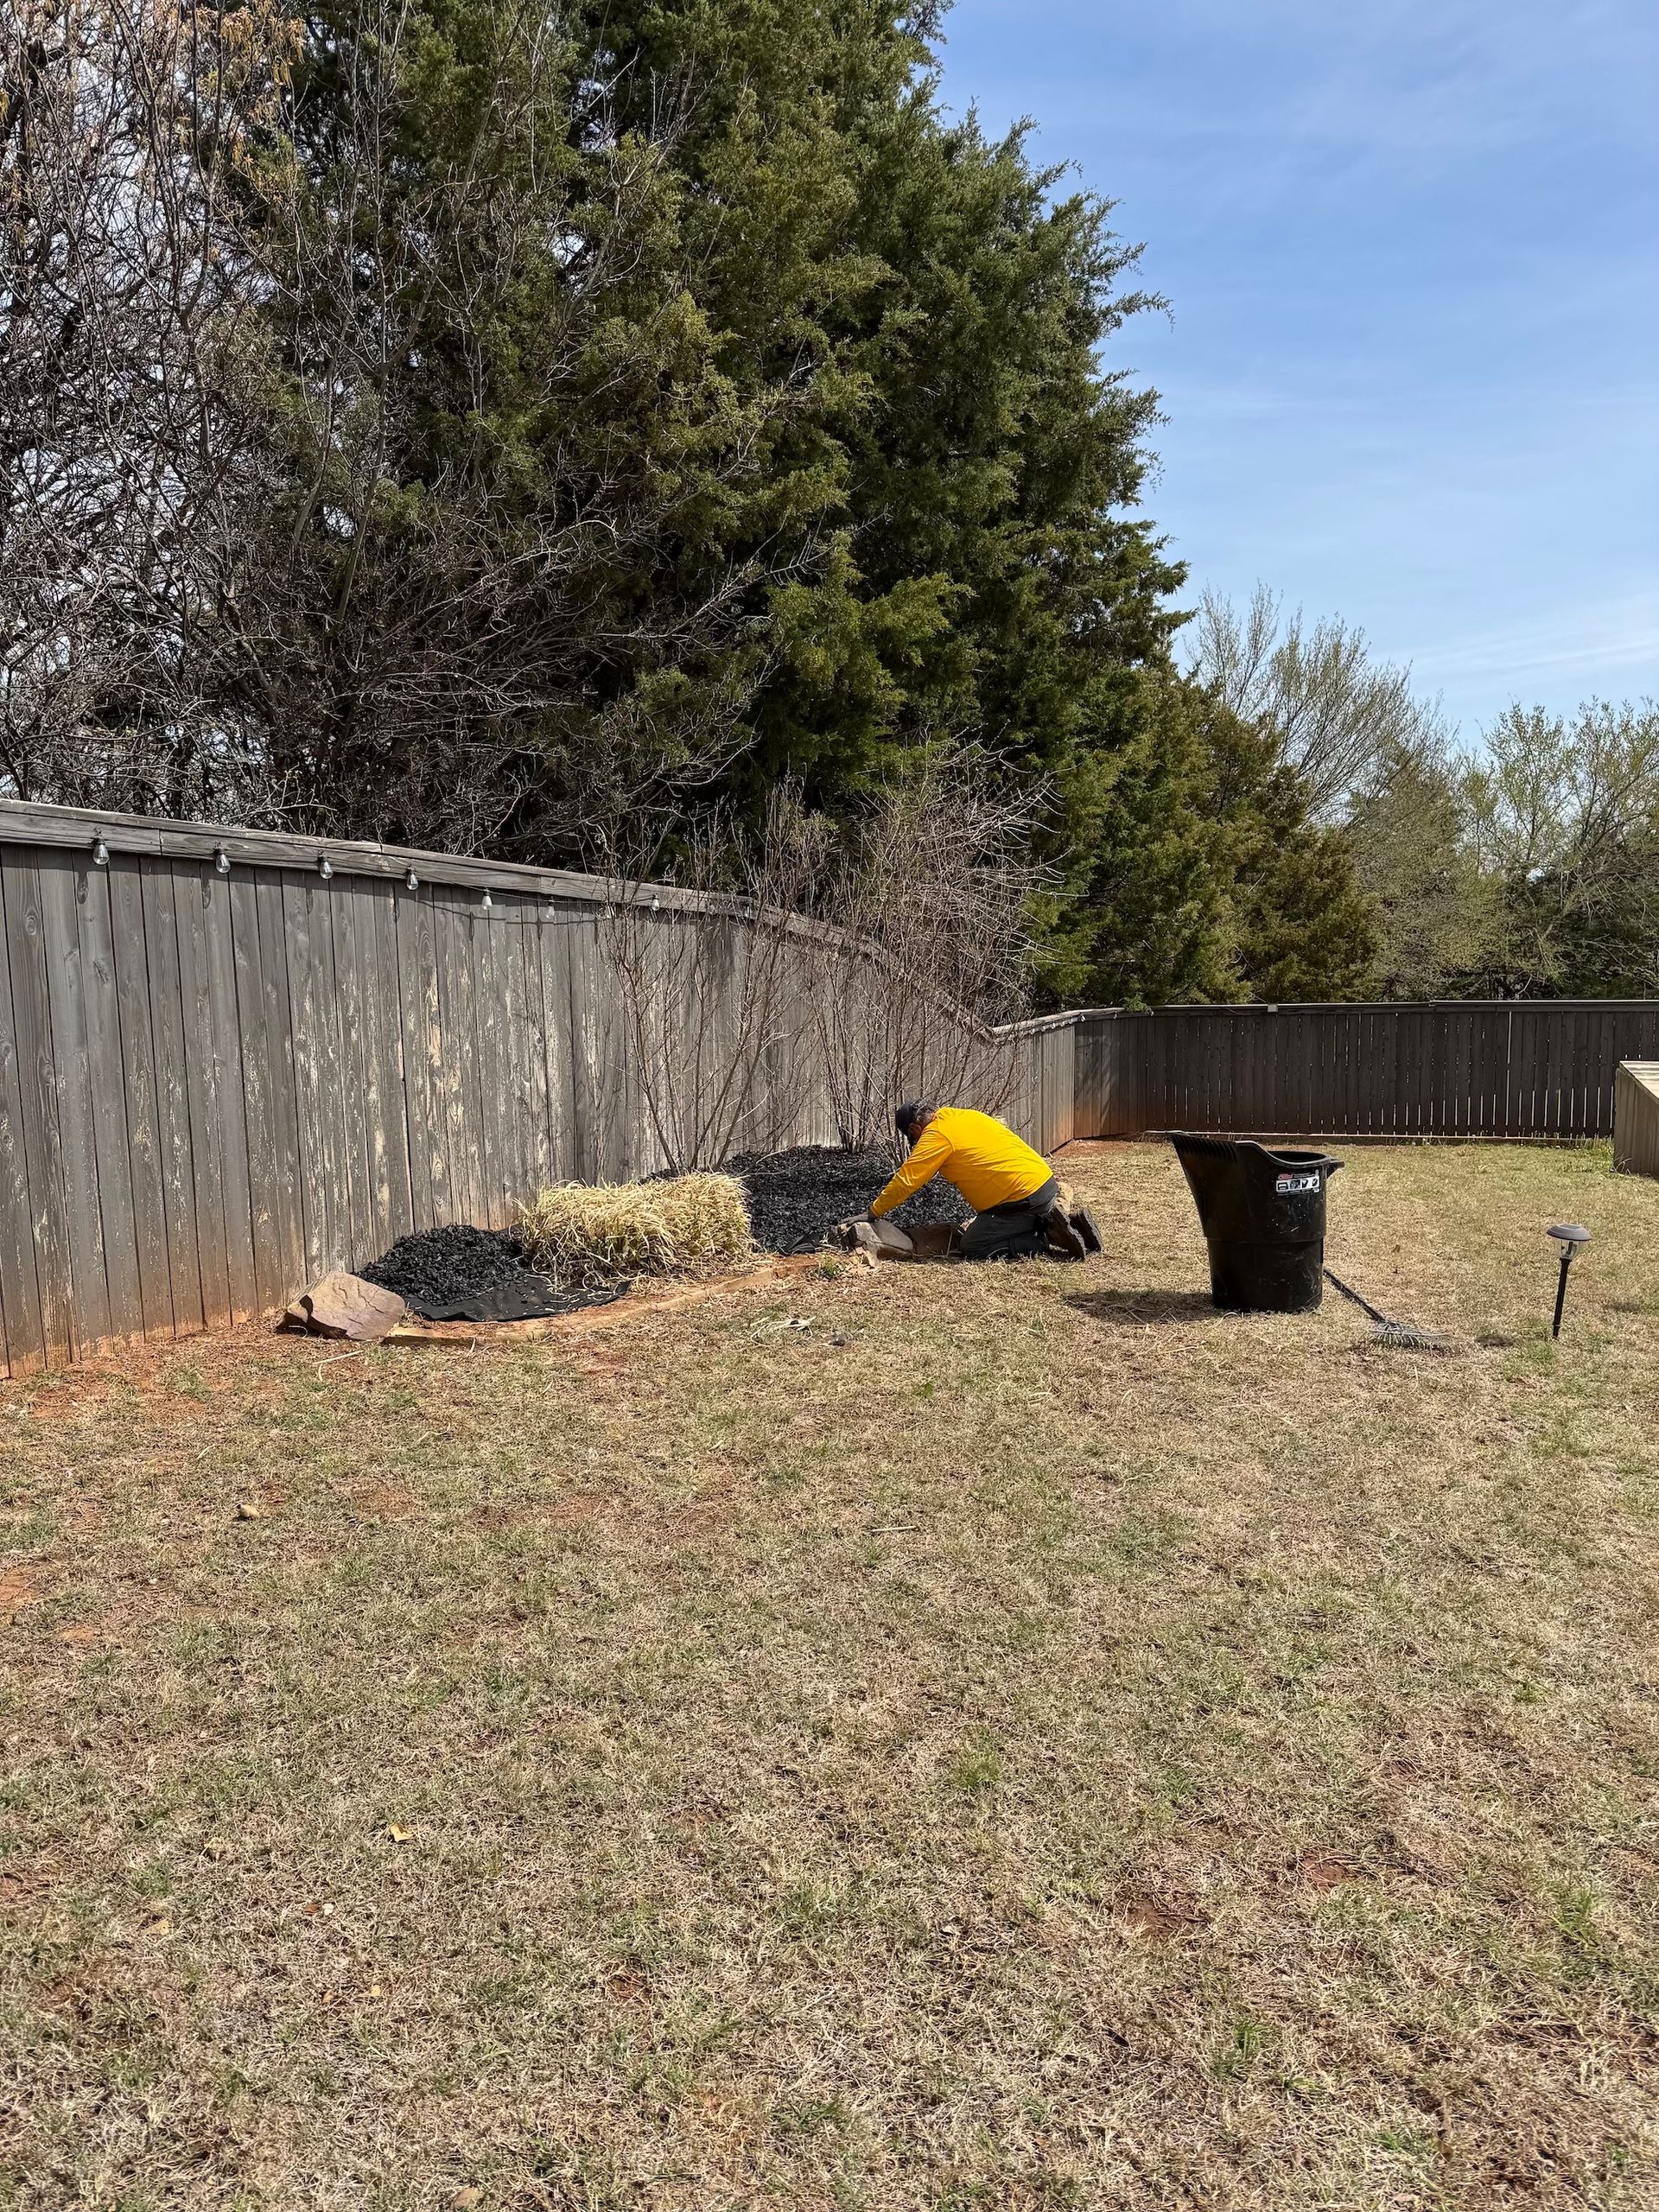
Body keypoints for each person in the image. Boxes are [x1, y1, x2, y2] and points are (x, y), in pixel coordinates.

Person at [867, 1102, 1101, 1261]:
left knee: (973, 1246)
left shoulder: (936, 1136)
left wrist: (874, 1212)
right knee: (990, 1224)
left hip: (1021, 1201)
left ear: (916, 1127)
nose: (915, 1143)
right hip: (1044, 1183)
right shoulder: (962, 1116)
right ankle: (1058, 1219)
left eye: (912, 1138)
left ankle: (1044, 1238)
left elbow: (907, 1180)